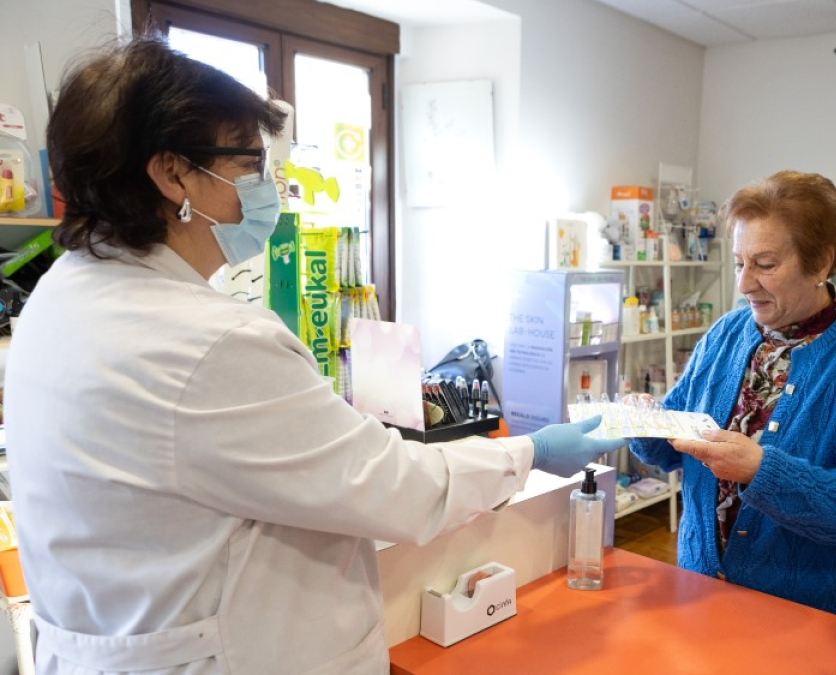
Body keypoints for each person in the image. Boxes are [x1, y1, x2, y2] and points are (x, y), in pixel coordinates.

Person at [4, 37, 622, 674]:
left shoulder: (57, 299)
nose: (268, 187)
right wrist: (533, 451)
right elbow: (399, 488)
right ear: (172, 173)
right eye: (249, 162)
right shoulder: (208, 342)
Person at [628, 170, 836, 622]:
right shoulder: (726, 333)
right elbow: (673, 451)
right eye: (738, 263)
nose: (745, 284)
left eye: (765, 265)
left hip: (805, 617)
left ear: (821, 264)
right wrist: (646, 424)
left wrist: (762, 471)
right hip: (699, 593)